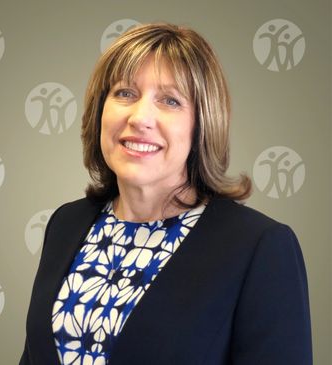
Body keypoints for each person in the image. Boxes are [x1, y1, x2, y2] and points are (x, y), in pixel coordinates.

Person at [19, 23, 313, 365]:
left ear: (202, 124)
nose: (140, 117)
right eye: (125, 93)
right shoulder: (66, 223)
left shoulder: (260, 247)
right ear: (100, 110)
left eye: (170, 100)